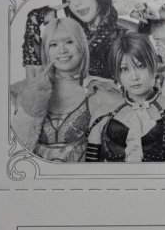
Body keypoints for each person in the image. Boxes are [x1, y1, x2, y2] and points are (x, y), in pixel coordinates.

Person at [11, 17, 117, 162]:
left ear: (81, 45)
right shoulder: (28, 91)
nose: (62, 50)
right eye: (53, 44)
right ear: (46, 51)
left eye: (69, 42)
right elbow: (17, 150)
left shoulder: (100, 91)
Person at [86, 33, 165, 163]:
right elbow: (89, 171)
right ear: (116, 73)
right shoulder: (101, 115)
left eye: (141, 66)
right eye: (124, 69)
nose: (134, 77)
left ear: (154, 65)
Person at [22, 0, 123, 81]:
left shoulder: (123, 38)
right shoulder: (69, 34)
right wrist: (33, 21)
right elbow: (35, 77)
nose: (76, 3)